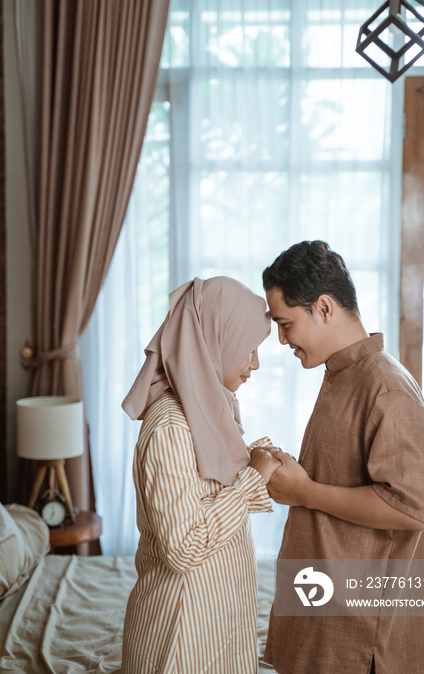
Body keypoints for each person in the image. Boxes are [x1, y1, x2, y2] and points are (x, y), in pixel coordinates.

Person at [260, 240, 424, 674]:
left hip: (360, 632)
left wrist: (305, 491)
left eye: (285, 324)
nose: (282, 339)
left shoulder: (386, 386)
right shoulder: (342, 373)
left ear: (324, 308)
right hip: (324, 603)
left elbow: (414, 508)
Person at [120, 276, 281, 674]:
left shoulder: (205, 412)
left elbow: (211, 485)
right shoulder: (171, 428)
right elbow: (185, 547)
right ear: (216, 339)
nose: (255, 363)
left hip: (210, 628)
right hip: (179, 639)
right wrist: (252, 479)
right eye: (249, 348)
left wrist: (257, 461)